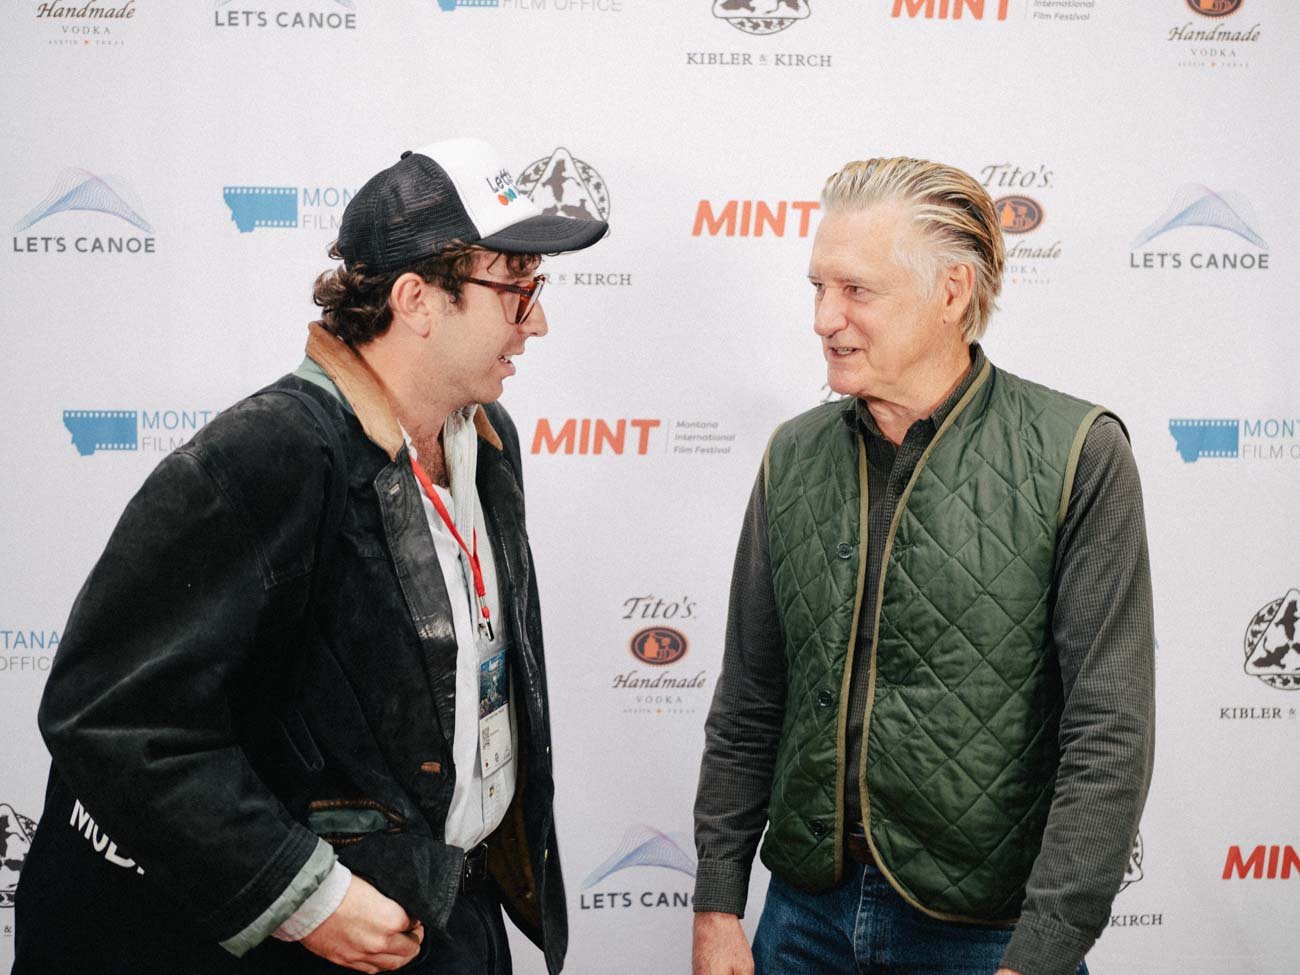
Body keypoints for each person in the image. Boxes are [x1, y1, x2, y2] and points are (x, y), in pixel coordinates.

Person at [15, 137, 607, 974]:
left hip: (450, 916)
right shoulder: (267, 454)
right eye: (517, 290)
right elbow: (109, 715)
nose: (537, 320)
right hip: (325, 940)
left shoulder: (487, 438)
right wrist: (306, 896)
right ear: (417, 299)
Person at [691, 157, 1154, 975]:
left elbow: (1108, 732)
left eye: (857, 289)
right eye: (818, 287)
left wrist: (1040, 954)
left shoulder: (1079, 454)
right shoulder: (793, 455)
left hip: (989, 939)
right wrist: (719, 900)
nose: (825, 317)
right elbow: (750, 699)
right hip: (802, 921)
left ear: (951, 292)